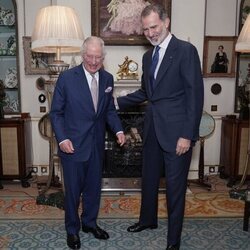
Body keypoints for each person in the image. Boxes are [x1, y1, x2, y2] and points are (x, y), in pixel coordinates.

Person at [117, 4, 204, 250]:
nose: (151, 33)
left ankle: (173, 242)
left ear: (166, 22)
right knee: (148, 179)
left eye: (154, 27)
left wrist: (187, 135)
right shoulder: (148, 56)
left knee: (175, 190)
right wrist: (115, 101)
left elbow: (194, 96)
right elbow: (147, 92)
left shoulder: (186, 51)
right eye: (146, 29)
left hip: (177, 133)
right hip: (152, 128)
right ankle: (147, 220)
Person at [50, 36, 126, 250]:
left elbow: (108, 110)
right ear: (83, 55)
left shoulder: (108, 79)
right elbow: (56, 113)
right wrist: (62, 138)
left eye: (98, 58)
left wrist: (119, 129)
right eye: (90, 56)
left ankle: (89, 223)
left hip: (96, 145)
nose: (93, 61)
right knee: (73, 192)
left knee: (94, 189)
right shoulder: (66, 78)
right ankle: (72, 230)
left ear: (103, 58)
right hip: (72, 145)